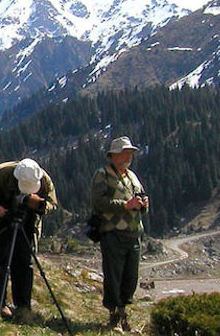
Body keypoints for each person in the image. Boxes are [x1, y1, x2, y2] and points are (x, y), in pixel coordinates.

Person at [0, 158, 57, 323]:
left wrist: (39, 204)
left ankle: (23, 306)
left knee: (24, 264)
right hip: (0, 222)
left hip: (27, 223)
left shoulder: (44, 179)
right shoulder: (3, 173)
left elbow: (51, 203)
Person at [90, 136, 149, 332]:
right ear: (113, 155)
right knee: (113, 275)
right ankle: (114, 313)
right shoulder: (103, 175)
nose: (128, 156)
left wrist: (143, 206)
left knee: (130, 276)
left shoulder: (132, 177)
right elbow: (98, 203)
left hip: (133, 233)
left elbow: (138, 201)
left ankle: (124, 308)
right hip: (113, 233)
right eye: (124, 152)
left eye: (130, 153)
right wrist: (125, 205)